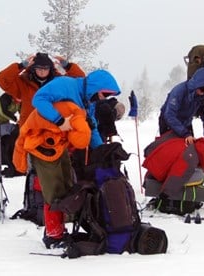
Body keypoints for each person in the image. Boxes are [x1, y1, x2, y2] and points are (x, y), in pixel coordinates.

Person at [16, 69, 121, 248]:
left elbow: (91, 127)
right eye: (104, 94)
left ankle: (60, 230)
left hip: (60, 145)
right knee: (54, 190)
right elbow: (38, 99)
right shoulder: (65, 85)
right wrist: (59, 120)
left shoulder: (86, 101)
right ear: (96, 87)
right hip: (41, 143)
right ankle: (53, 236)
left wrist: (101, 150)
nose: (103, 99)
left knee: (66, 186)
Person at [0, 52, 85, 127]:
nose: (42, 71)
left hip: (54, 128)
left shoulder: (58, 82)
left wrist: (68, 66)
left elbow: (79, 82)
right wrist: (20, 66)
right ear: (33, 69)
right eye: (39, 68)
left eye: (45, 68)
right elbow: (3, 80)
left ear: (50, 69)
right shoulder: (23, 82)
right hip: (29, 129)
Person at [158, 67, 204, 146]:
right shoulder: (179, 91)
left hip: (186, 123)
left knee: (190, 152)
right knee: (170, 150)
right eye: (202, 88)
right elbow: (169, 115)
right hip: (168, 122)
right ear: (197, 84)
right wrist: (185, 133)